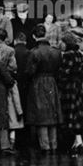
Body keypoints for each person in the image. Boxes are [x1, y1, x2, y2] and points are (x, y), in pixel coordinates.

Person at [25, 24, 63, 153]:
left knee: (41, 116)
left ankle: (45, 146)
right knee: (52, 115)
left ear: (34, 36)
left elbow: (29, 72)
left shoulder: (34, 52)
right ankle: (54, 145)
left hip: (38, 83)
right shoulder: (56, 52)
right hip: (52, 82)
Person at [58, 32, 83, 154]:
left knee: (70, 113)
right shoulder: (79, 54)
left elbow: (65, 72)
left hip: (69, 88)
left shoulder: (67, 55)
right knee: (78, 112)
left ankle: (76, 141)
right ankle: (78, 140)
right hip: (78, 86)